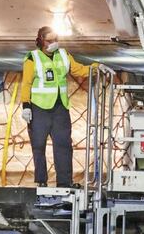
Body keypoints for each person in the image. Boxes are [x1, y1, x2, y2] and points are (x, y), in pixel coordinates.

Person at [21, 26, 100, 188]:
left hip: (60, 107)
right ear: (41, 41)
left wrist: (95, 67)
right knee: (38, 145)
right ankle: (41, 181)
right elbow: (26, 83)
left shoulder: (63, 55)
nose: (53, 43)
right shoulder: (32, 58)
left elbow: (78, 70)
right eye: (50, 41)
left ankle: (64, 182)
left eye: (56, 40)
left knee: (64, 145)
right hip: (39, 108)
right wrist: (26, 105)